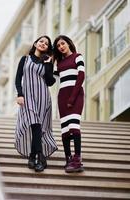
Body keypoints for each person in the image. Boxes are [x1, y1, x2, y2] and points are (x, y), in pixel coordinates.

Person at [15, 35, 57, 172]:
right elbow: (18, 78)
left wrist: (49, 64)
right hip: (27, 97)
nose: (43, 44)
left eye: (46, 43)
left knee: (38, 127)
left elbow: (50, 82)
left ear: (47, 48)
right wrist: (20, 94)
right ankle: (41, 157)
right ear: (35, 43)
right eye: (41, 41)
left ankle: (33, 156)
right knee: (35, 124)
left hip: (43, 97)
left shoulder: (47, 61)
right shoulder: (25, 59)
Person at [53, 35, 85, 173]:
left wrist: (72, 98)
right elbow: (51, 78)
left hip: (76, 95)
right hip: (62, 97)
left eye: (62, 44)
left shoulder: (78, 56)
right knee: (65, 130)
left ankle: (77, 160)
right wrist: (50, 60)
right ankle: (68, 159)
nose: (61, 47)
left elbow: (81, 76)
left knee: (74, 126)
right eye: (58, 46)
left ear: (69, 43)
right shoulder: (59, 64)